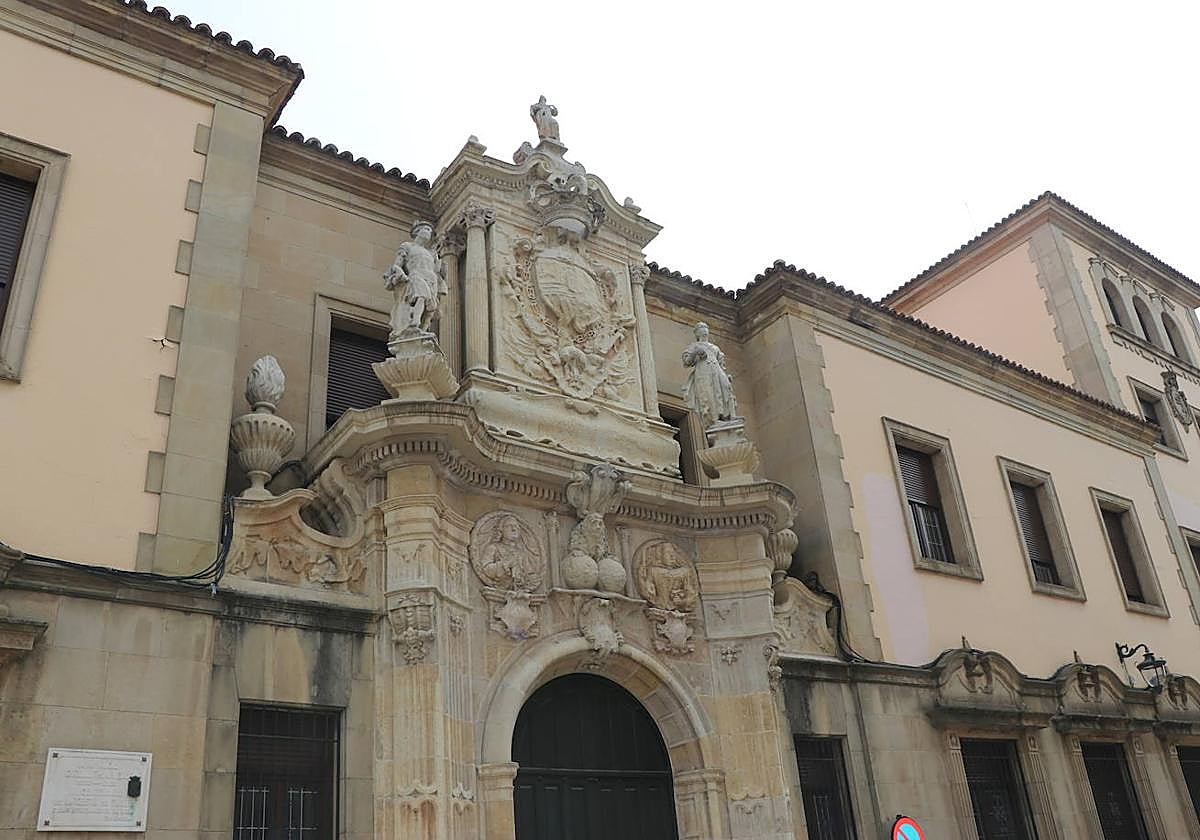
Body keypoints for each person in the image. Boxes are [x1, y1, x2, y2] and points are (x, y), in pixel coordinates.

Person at [383, 221, 446, 338]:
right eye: (426, 230)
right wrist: (400, 273)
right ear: (417, 231)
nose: (429, 233)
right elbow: (397, 265)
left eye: (430, 232)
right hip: (416, 275)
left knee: (431, 309)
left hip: (431, 279)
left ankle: (423, 329)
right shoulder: (407, 246)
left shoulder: (430, 253)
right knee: (421, 296)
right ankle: (415, 323)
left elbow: (436, 271)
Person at [682, 322, 737, 429]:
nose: (704, 329)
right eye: (701, 328)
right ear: (696, 333)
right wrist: (696, 353)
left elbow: (721, 364)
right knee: (708, 394)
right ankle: (715, 419)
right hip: (703, 372)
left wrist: (726, 375)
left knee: (725, 389)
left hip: (717, 370)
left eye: (705, 327)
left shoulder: (715, 347)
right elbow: (687, 362)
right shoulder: (694, 346)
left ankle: (728, 416)